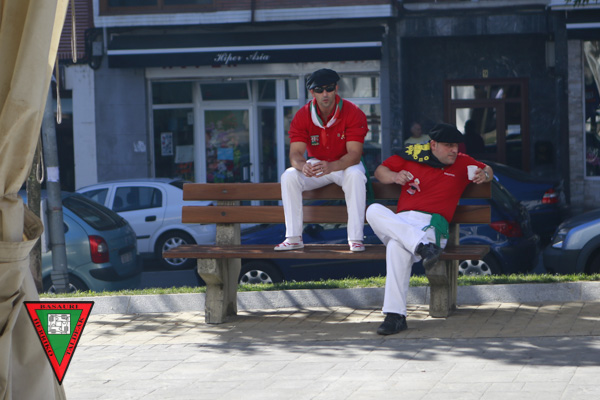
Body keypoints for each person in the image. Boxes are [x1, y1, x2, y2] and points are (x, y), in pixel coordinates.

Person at [366, 123, 493, 335]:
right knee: (372, 210)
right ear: (433, 145)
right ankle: (421, 247)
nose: (454, 150)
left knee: (396, 246)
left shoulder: (463, 162)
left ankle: (395, 316)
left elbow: (488, 169)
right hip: (403, 222)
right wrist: (395, 177)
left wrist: (485, 176)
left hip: (433, 225)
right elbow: (380, 171)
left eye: (456, 145)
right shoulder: (413, 155)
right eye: (448, 145)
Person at [275, 68, 369, 252]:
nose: (325, 94)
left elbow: (355, 154)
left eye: (329, 88)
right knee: (289, 176)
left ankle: (356, 238)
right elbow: (295, 154)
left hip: (345, 165)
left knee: (356, 175)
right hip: (318, 164)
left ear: (336, 88)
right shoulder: (303, 114)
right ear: (312, 92)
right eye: (319, 90)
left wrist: (332, 166)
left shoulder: (353, 112)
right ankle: (293, 237)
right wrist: (302, 166)